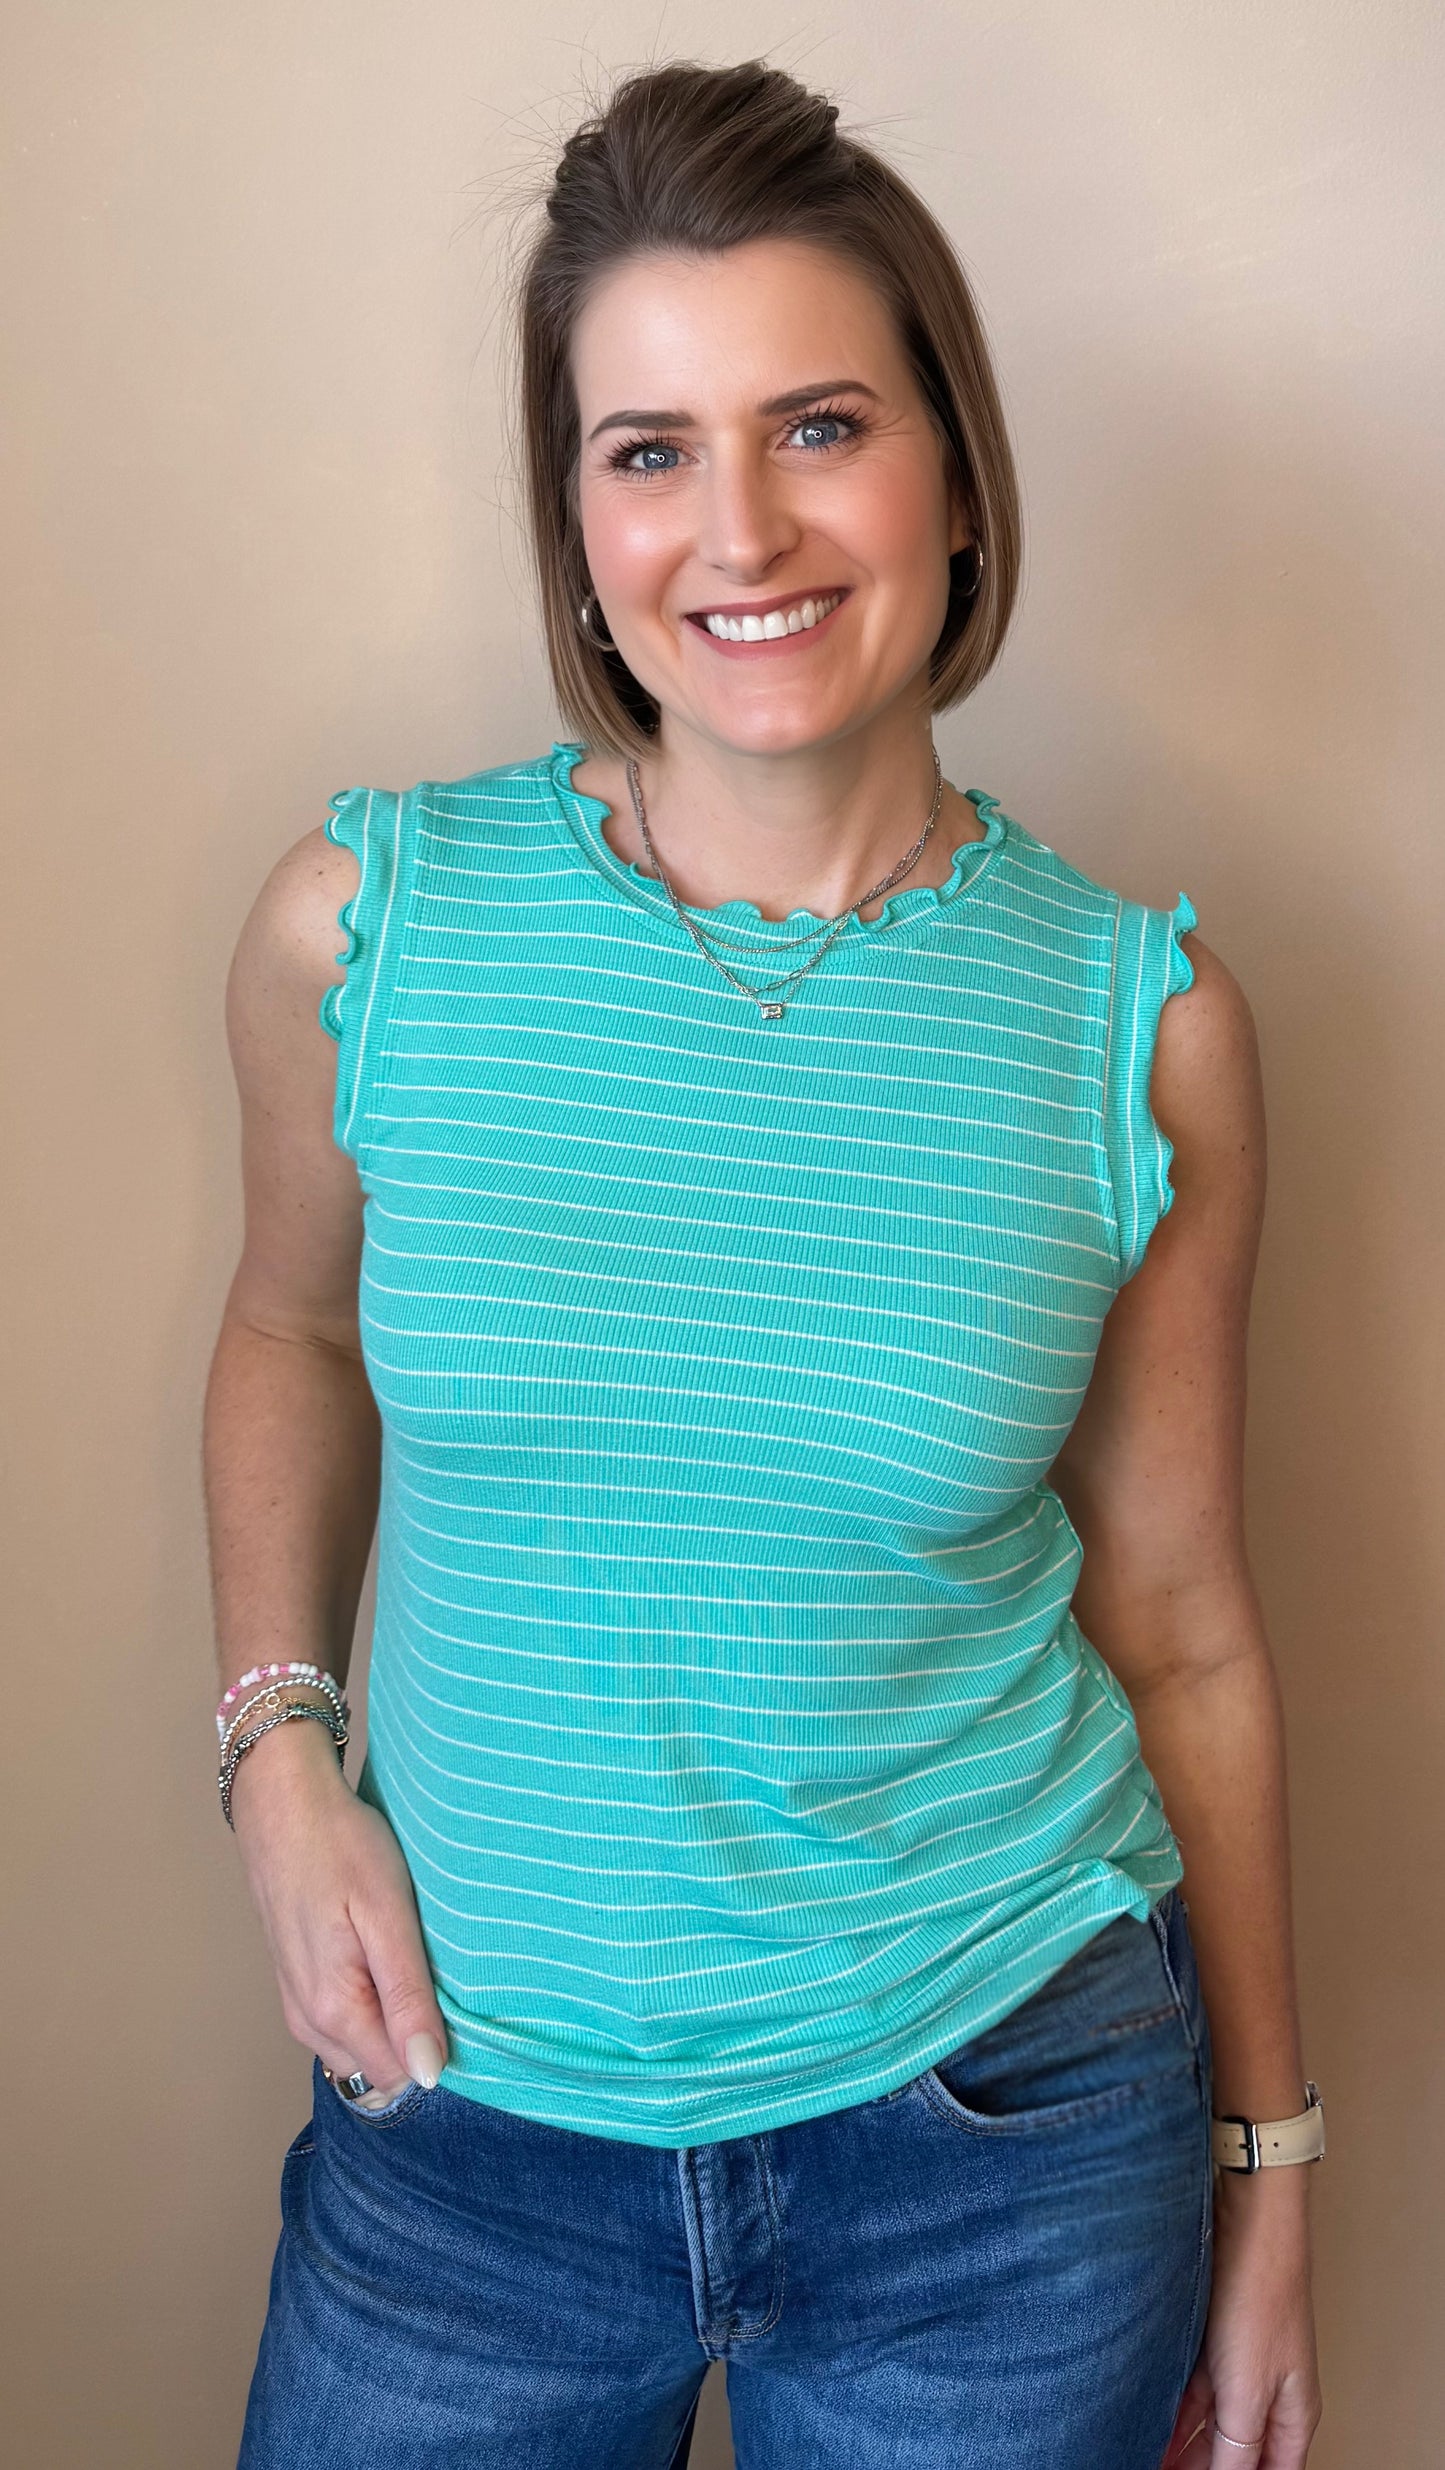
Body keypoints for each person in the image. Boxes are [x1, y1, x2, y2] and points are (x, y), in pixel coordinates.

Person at [205, 56, 1323, 2470]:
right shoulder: (367, 928)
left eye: (820, 424)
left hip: (1002, 2145)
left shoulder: (1139, 1024)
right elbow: (288, 1326)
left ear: (954, 470)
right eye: (648, 448)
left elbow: (1183, 1625)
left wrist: (1272, 2171)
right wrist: (279, 1755)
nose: (740, 528)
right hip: (459, 2131)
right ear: (577, 515)